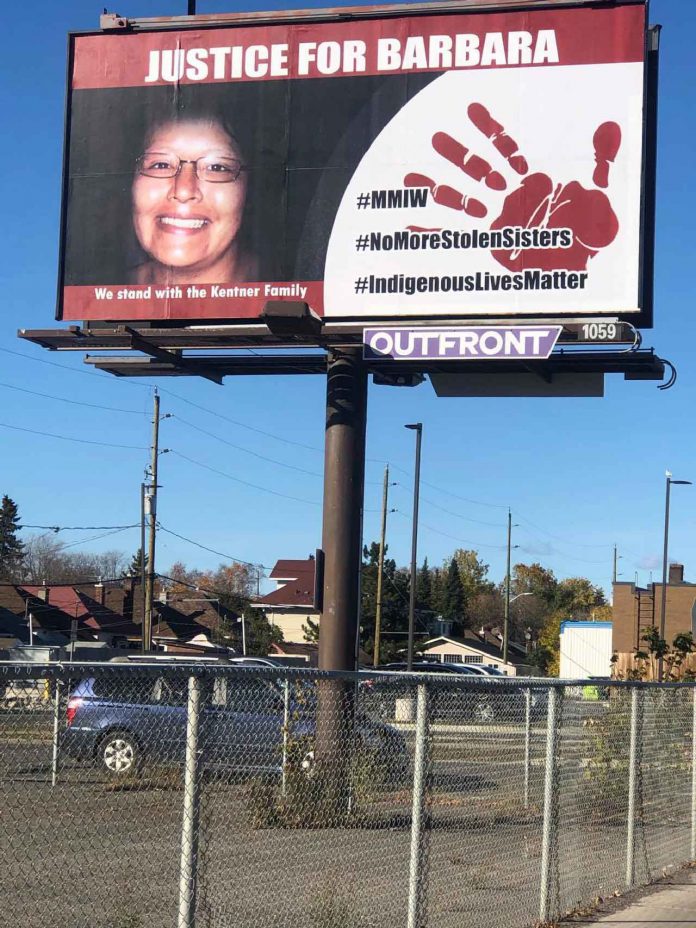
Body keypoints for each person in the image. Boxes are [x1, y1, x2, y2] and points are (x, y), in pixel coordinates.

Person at [130, 114, 257, 285]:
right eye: (161, 165)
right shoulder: (95, 293)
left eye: (216, 167)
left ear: (248, 189)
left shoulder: (291, 295)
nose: (183, 191)